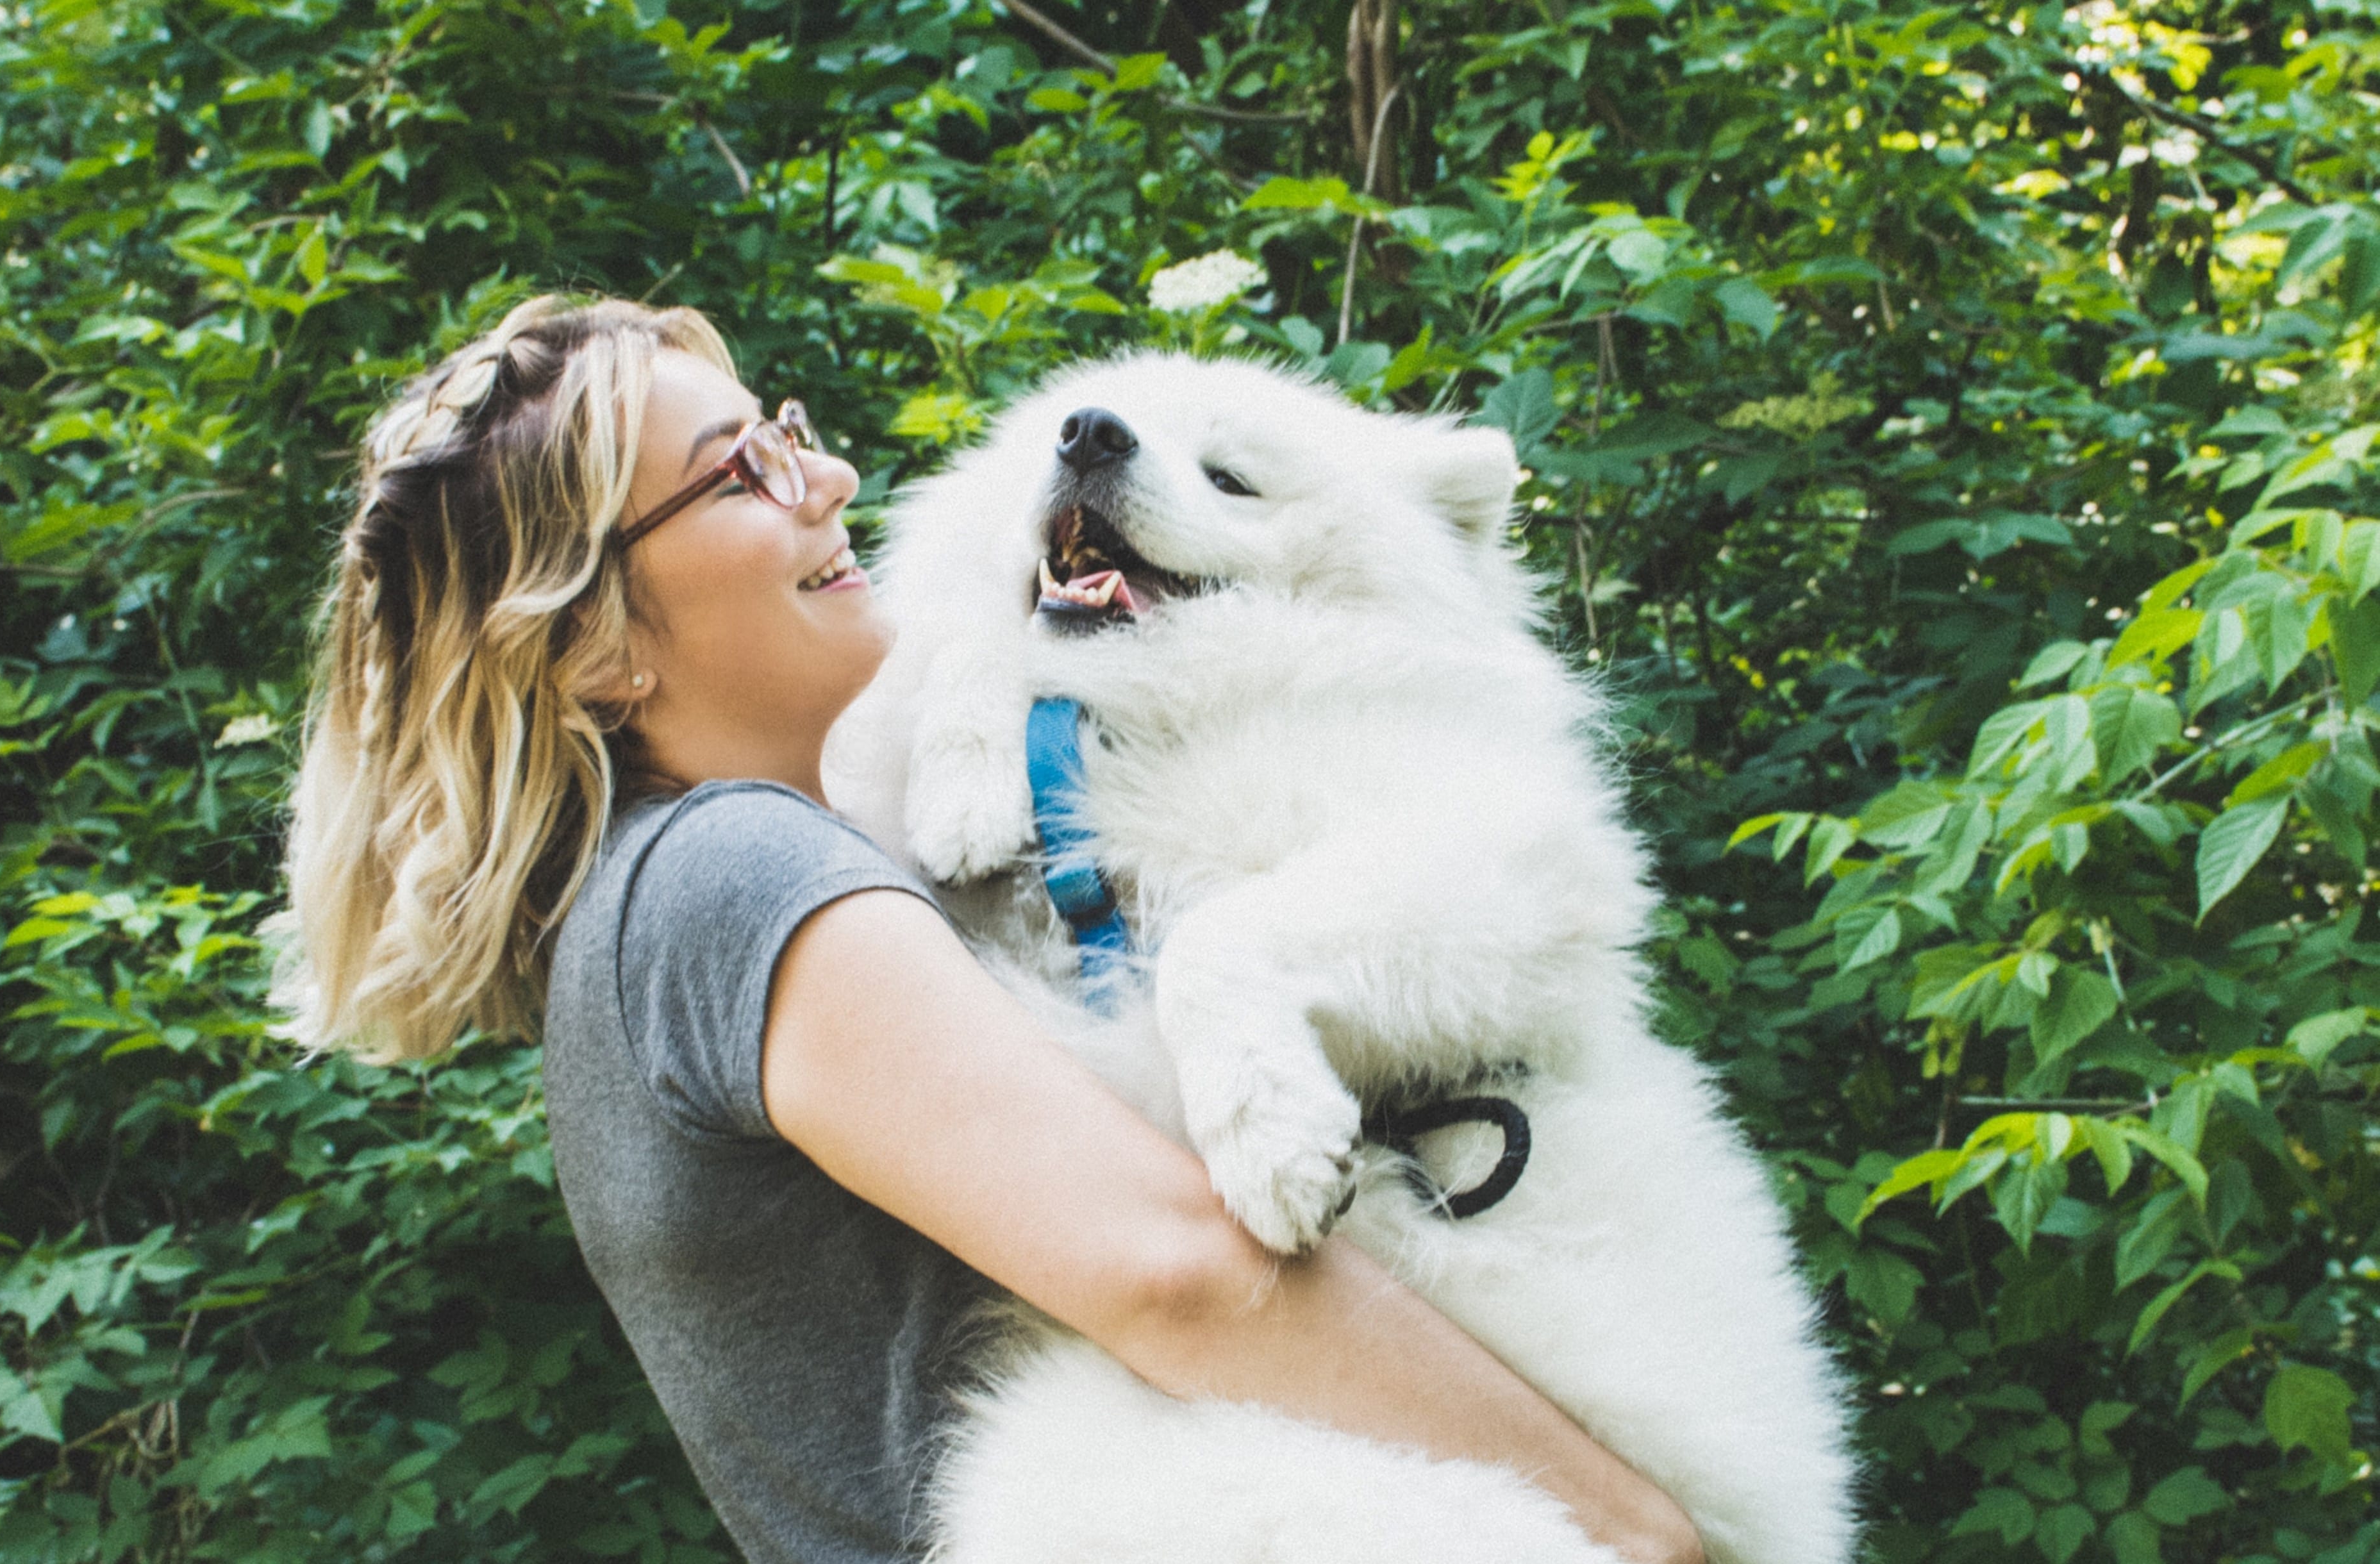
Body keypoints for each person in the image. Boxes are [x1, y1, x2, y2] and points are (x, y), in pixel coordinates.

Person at [272, 295, 1705, 1564]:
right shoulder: (731, 873)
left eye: (790, 431)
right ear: (598, 647)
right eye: (743, 471)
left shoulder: (687, 889)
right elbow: (1178, 1268)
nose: (826, 476)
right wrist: (1626, 1522)